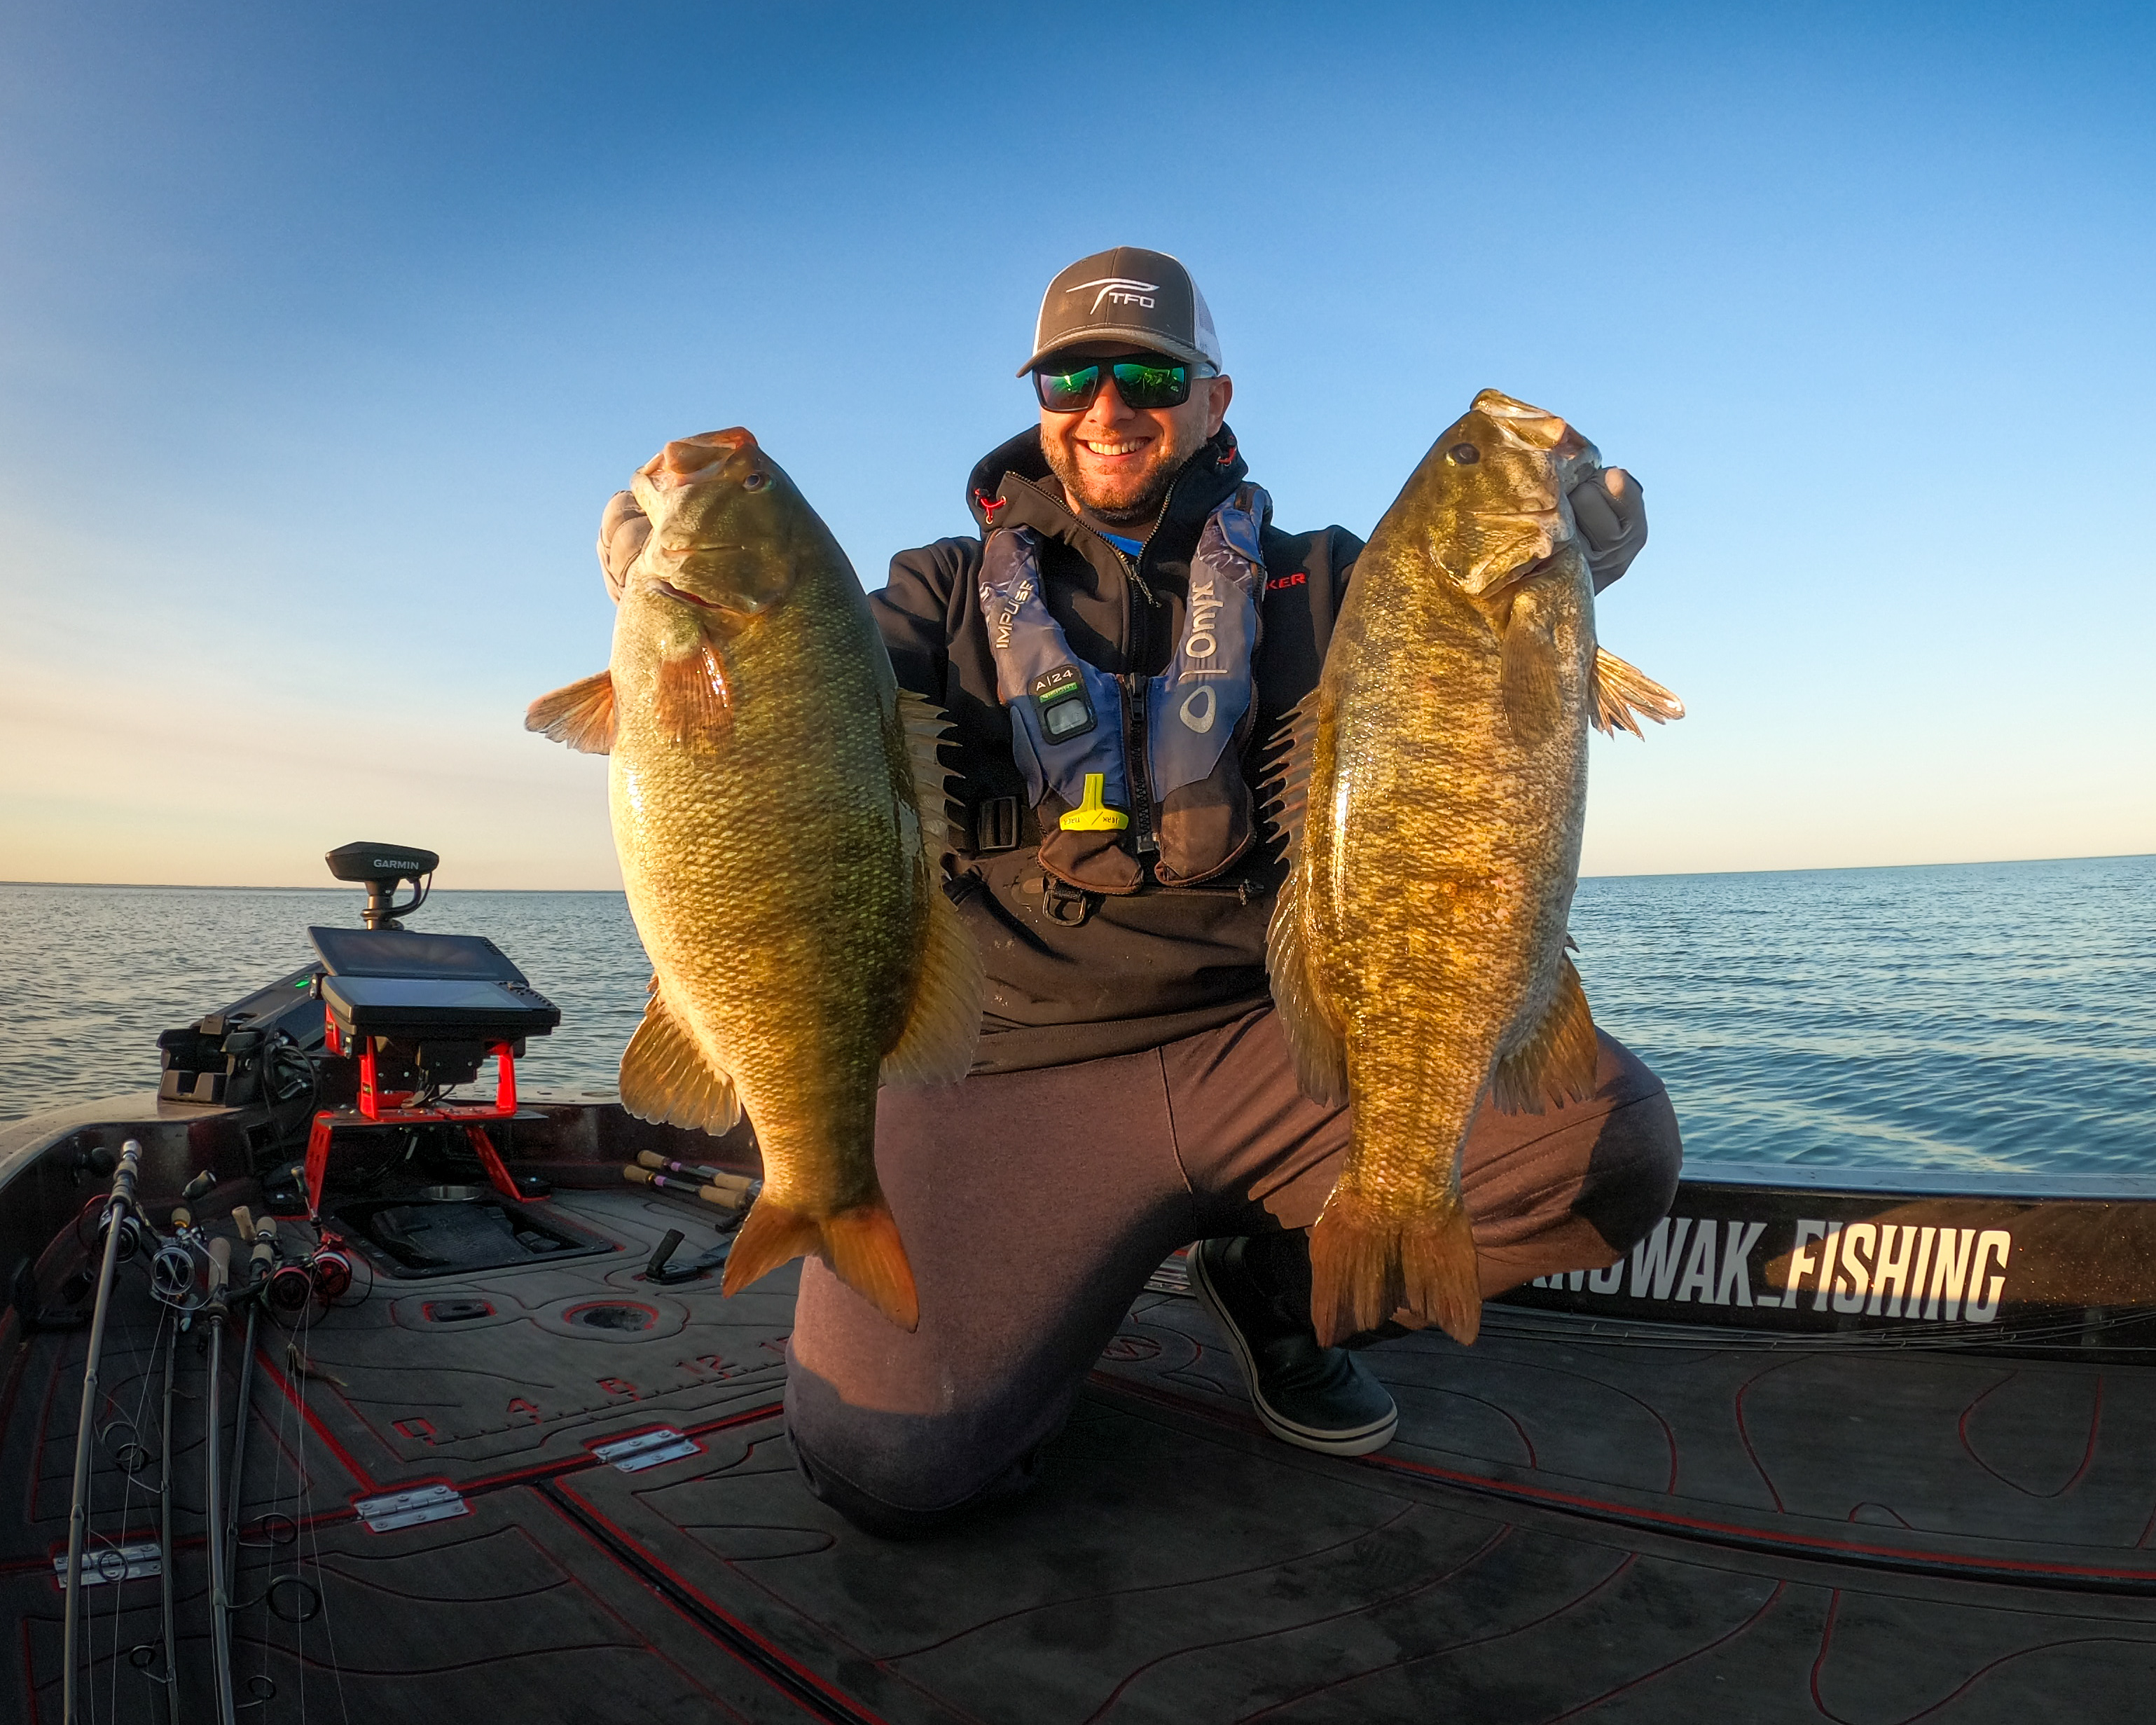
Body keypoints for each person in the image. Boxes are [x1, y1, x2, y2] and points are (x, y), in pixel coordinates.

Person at [596, 247, 1680, 1538]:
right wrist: (663, 616)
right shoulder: (931, 593)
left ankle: (1268, 1283)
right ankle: (1043, 1317)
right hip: (1006, 1066)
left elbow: (1462, 698)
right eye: (1072, 376)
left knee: (1603, 1145)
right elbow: (784, 748)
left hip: (1266, 1050)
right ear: (1043, 401)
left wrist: (1570, 583)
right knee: (887, 1463)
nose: (1108, 404)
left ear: (1215, 400)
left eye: (1153, 374)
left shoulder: (1340, 580)